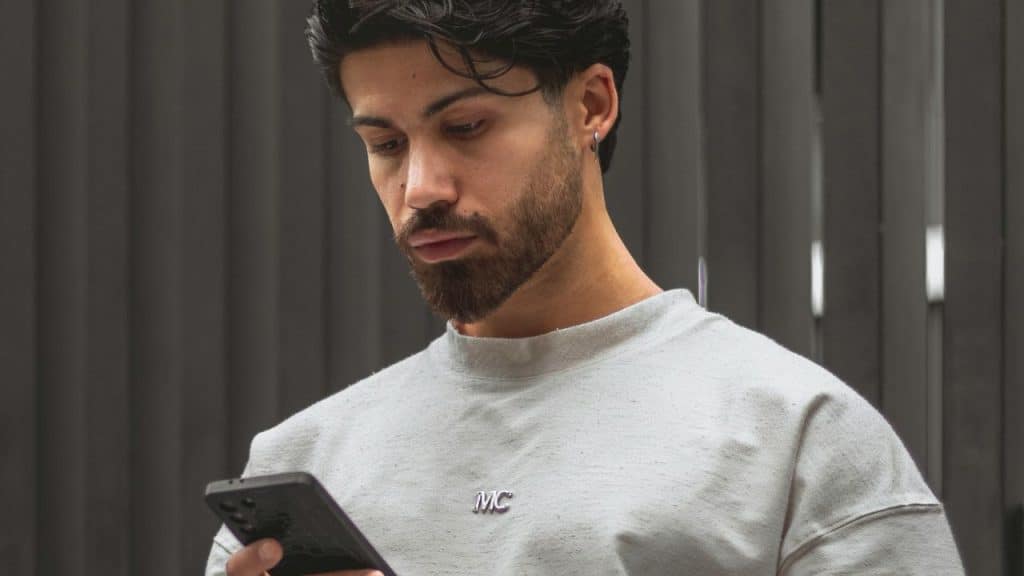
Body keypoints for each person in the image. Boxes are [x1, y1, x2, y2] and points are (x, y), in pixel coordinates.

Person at [207, 1, 964, 574]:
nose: (420, 187)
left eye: (466, 127)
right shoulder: (305, 464)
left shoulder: (798, 442)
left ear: (591, 106)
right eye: (386, 145)